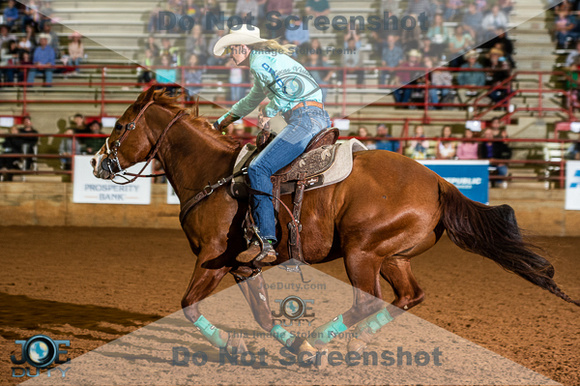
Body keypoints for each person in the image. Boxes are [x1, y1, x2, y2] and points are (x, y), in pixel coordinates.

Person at [212, 24, 330, 264]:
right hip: (314, 116)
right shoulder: (268, 61)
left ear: (241, 47)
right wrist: (223, 120)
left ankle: (265, 240)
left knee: (258, 168)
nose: (229, 56)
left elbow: (287, 88)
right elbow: (253, 98)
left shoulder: (259, 63)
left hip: (303, 119)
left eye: (231, 51)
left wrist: (270, 109)